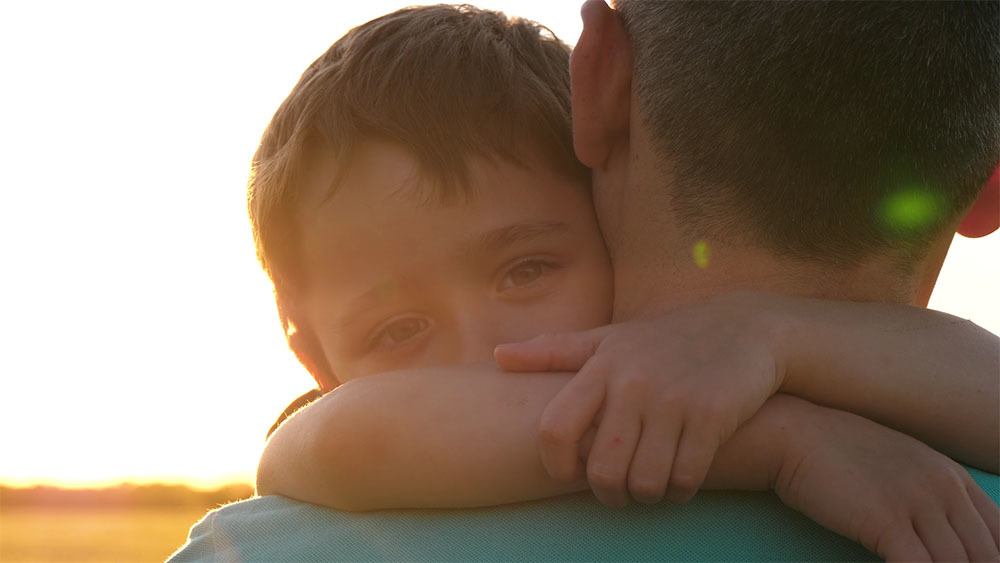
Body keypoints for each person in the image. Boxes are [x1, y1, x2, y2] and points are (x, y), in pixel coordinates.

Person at [171, 2, 999, 561]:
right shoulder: (351, 445)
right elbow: (348, 437)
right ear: (315, 360)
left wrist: (765, 337)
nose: (490, 351)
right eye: (396, 330)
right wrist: (784, 436)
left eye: (526, 269)